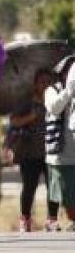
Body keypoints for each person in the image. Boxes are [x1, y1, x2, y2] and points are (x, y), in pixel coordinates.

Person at [10, 68, 60, 232]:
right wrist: (30, 117)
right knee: (29, 187)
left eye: (49, 82)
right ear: (36, 84)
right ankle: (25, 219)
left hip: (51, 152)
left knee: (53, 187)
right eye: (42, 82)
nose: (46, 85)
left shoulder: (56, 102)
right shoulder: (27, 103)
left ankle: (52, 220)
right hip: (29, 152)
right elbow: (14, 121)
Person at [45, 58, 75, 229]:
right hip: (61, 152)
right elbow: (55, 108)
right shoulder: (51, 90)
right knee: (66, 192)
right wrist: (69, 91)